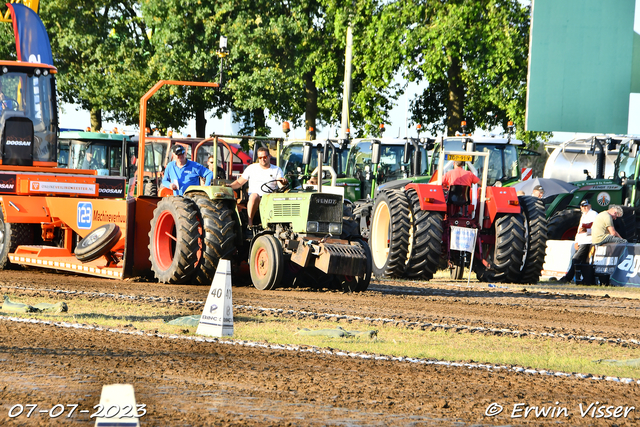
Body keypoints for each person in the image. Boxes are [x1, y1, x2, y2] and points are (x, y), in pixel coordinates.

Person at [228, 147, 286, 227]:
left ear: (269, 156)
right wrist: (229, 186)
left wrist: (283, 182)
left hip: (270, 198)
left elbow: (280, 184)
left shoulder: (276, 169)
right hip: (256, 198)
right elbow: (239, 182)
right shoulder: (252, 168)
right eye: (260, 157)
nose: (263, 159)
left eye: (265, 157)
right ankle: (250, 224)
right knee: (254, 195)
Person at [560, 199, 599, 282]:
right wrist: (576, 241)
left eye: (586, 206)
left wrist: (587, 230)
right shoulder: (584, 215)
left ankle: (568, 278)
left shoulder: (593, 214)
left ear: (590, 206)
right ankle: (583, 279)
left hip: (588, 241)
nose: (584, 208)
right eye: (582, 206)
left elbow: (596, 229)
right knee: (582, 261)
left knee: (576, 259)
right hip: (582, 241)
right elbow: (579, 230)